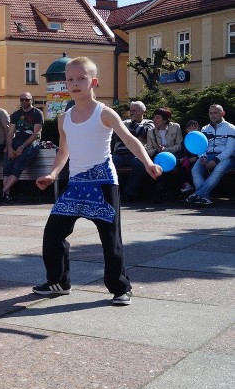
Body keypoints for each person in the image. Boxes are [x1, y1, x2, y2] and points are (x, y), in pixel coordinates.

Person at [34, 57, 161, 306]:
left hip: (103, 183)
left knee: (110, 240)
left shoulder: (104, 113)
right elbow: (63, 152)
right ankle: (58, 282)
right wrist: (52, 174)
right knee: (52, 235)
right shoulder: (64, 118)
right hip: (76, 185)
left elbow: (130, 139)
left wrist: (147, 162)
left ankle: (120, 288)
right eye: (70, 79)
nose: (75, 83)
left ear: (93, 82)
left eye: (81, 78)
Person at [0, 92, 44, 202]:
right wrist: (9, 148)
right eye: (22, 99)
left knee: (18, 165)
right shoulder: (16, 114)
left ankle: (3, 191)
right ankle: (6, 195)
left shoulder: (37, 113)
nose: (24, 101)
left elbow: (36, 134)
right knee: (8, 165)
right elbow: (10, 133)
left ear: (31, 100)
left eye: (26, 99)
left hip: (31, 142)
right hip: (16, 140)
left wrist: (22, 147)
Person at [186, 104, 235, 206]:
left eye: (215, 113)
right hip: (208, 155)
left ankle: (198, 194)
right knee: (195, 170)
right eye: (211, 113)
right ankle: (204, 198)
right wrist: (203, 156)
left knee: (218, 170)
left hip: (226, 157)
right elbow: (201, 146)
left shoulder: (231, 128)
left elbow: (230, 149)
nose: (213, 115)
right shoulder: (205, 129)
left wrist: (216, 160)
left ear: (222, 113)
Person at [111, 100, 154, 202]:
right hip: (120, 154)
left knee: (140, 164)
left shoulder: (148, 122)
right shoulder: (124, 122)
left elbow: (145, 134)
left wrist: (134, 124)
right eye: (131, 110)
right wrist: (135, 134)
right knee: (109, 163)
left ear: (142, 111)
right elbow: (117, 136)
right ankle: (112, 192)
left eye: (135, 111)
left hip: (137, 155)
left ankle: (130, 193)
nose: (132, 113)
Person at [144, 107, 183, 201]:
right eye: (154, 117)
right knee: (156, 165)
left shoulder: (175, 127)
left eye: (157, 117)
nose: (154, 120)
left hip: (173, 154)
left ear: (165, 120)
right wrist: (157, 150)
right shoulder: (151, 131)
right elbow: (149, 150)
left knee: (179, 164)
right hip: (158, 155)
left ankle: (174, 191)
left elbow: (179, 145)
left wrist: (167, 150)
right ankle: (158, 191)